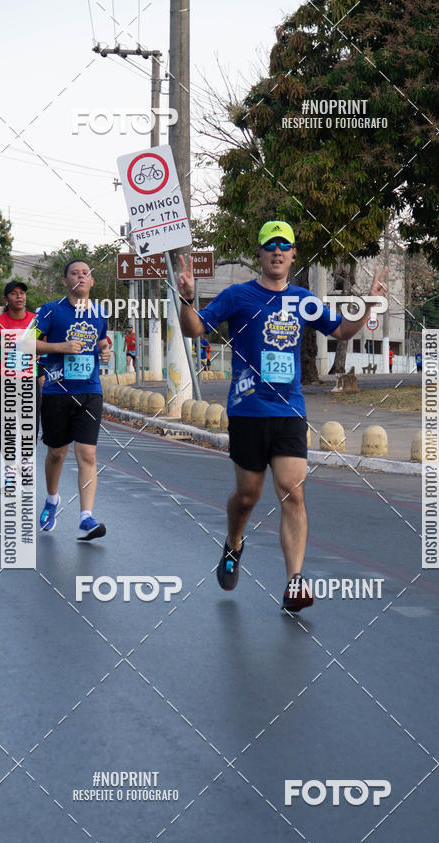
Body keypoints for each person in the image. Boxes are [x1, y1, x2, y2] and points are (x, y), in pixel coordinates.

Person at [179, 220, 388, 613]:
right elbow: (195, 330)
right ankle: (234, 543)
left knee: (293, 490)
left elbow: (341, 331)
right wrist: (187, 299)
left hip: (290, 409)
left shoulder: (303, 299)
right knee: (247, 496)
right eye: (269, 245)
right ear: (259, 254)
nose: (277, 251)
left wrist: (371, 305)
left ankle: (295, 580)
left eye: (284, 246)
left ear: (293, 255)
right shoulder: (238, 296)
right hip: (247, 410)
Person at [35, 259, 110, 540]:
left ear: (91, 281)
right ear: (65, 281)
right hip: (56, 391)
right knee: (57, 452)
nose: (80, 277)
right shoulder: (51, 311)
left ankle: (86, 517)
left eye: (85, 273)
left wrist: (105, 352)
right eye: (74, 273)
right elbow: (26, 342)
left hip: (90, 391)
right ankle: (52, 499)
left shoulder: (100, 313)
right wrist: (59, 347)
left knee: (87, 454)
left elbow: (101, 342)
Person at [0, 281, 40, 448]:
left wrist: (40, 354)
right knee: (9, 434)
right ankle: (11, 472)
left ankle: (22, 470)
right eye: (14, 293)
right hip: (1, 381)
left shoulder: (35, 321)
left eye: (22, 293)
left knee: (29, 436)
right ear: (6, 299)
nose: (19, 296)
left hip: (29, 382)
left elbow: (46, 345)